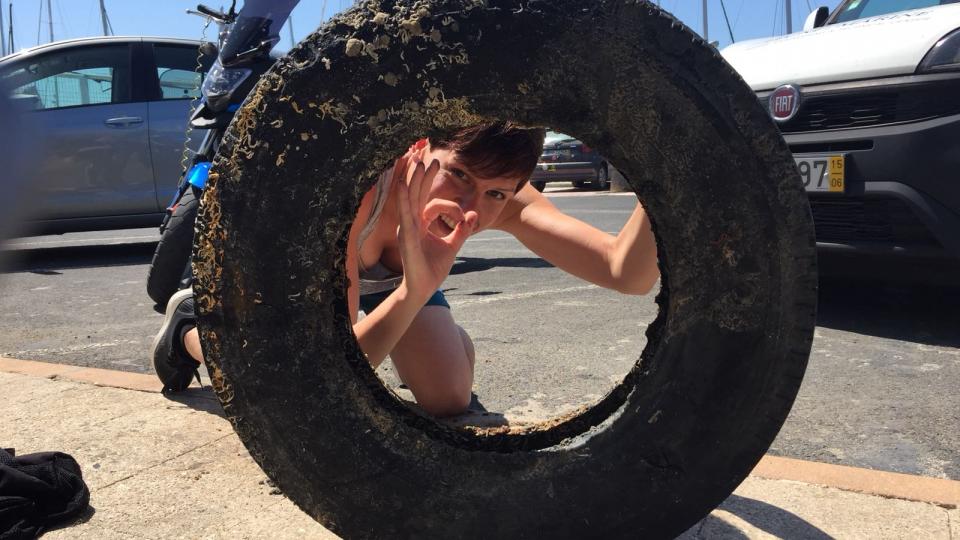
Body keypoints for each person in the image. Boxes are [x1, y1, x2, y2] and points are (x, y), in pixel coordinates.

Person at [151, 122, 659, 416]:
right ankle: (191, 325)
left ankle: (424, 331)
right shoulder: (355, 190)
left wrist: (665, 172)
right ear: (419, 150)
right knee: (268, 386)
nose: (470, 204)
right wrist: (416, 290)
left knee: (449, 398)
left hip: (399, 286)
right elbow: (338, 370)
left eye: (495, 192)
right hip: (304, 281)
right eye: (458, 174)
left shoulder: (501, 200)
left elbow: (627, 273)